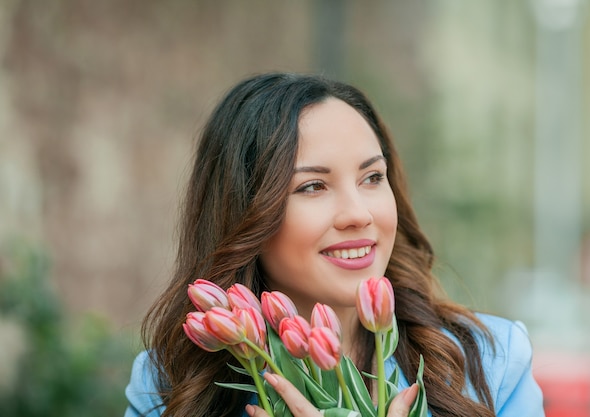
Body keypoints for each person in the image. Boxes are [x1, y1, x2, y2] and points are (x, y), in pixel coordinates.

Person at [124, 73, 545, 417]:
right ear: (245, 213)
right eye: (312, 186)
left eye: (372, 177)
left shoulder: (490, 364)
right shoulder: (168, 385)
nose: (358, 213)